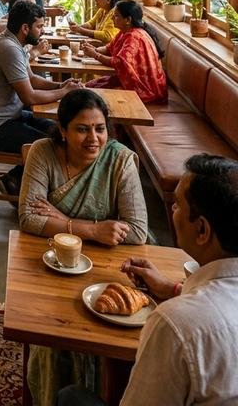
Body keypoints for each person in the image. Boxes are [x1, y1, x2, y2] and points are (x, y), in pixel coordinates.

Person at [58, 154, 238, 406]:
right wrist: (173, 288)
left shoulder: (175, 324)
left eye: (176, 205)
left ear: (202, 230)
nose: (172, 212)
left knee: (70, 397)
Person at [21, 89, 149, 406]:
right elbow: (28, 217)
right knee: (50, 334)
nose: (93, 138)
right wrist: (92, 229)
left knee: (114, 327)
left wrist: (61, 220)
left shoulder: (119, 160)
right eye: (82, 129)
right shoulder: (43, 153)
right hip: (56, 263)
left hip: (111, 264)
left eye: (100, 128)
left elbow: (137, 230)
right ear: (63, 131)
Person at [0, 1, 83, 196]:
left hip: (7, 116)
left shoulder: (14, 42)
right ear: (25, 28)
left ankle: (17, 180)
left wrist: (60, 86)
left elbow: (31, 79)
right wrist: (64, 93)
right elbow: (29, 96)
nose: (42, 31)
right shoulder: (8, 48)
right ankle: (19, 183)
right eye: (39, 26)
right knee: (51, 145)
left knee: (58, 132)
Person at [83, 0, 168, 104]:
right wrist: (93, 49)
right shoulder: (124, 32)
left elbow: (120, 62)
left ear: (128, 20)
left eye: (116, 16)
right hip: (131, 82)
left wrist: (95, 55)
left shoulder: (134, 36)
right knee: (89, 86)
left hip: (147, 89)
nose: (112, 18)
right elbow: (109, 48)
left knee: (95, 96)